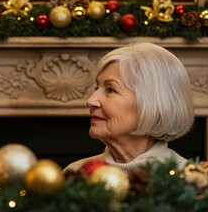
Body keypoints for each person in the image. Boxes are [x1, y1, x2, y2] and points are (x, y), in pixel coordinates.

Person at [64, 42, 194, 174]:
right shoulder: (75, 174)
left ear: (151, 102)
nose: (91, 101)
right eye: (97, 88)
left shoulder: (192, 181)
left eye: (110, 90)